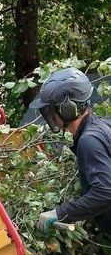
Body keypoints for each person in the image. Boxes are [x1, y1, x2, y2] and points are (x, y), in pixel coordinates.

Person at [31, 67, 111, 232]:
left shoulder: (89, 140)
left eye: (51, 109)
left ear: (67, 109)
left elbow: (105, 191)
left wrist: (60, 213)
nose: (50, 115)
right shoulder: (103, 126)